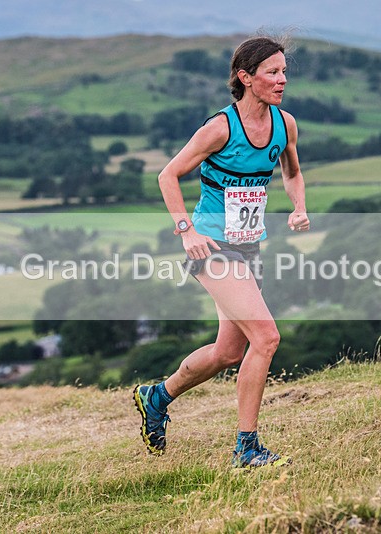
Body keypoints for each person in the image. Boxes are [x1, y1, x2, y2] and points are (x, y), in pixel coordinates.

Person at [133, 35, 310, 468]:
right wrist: (185, 230)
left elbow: (292, 170)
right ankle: (246, 448)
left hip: (249, 249)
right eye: (272, 72)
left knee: (229, 352)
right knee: (266, 338)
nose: (282, 79)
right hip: (211, 247)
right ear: (246, 78)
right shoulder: (220, 128)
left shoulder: (285, 124)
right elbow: (167, 175)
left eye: (284, 71)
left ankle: (157, 396)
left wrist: (299, 206)